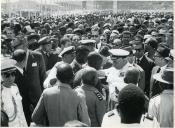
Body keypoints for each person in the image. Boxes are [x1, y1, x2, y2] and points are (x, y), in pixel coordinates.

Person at [11, 34, 46, 125]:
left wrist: (43, 95)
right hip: (21, 99)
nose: (13, 49)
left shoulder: (38, 56)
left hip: (37, 98)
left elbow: (43, 76)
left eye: (16, 47)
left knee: (39, 123)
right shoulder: (13, 57)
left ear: (24, 45)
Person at [1, 58, 27, 127]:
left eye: (13, 74)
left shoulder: (15, 87)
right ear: (1, 76)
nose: (11, 78)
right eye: (7, 75)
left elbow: (21, 112)